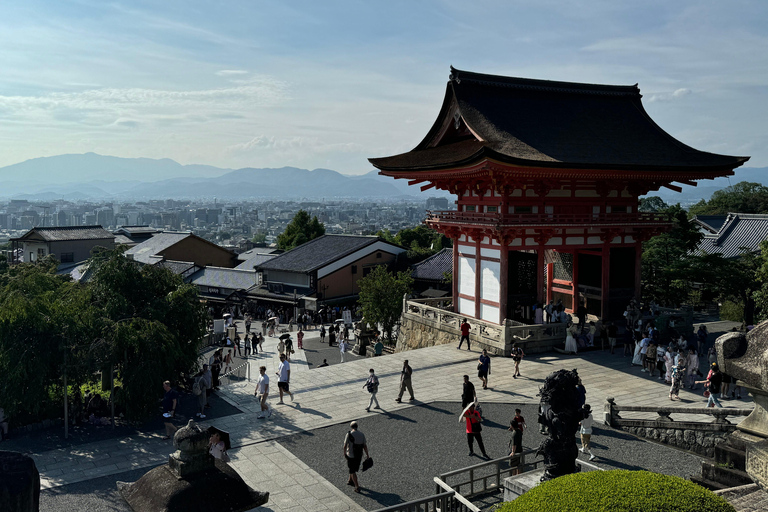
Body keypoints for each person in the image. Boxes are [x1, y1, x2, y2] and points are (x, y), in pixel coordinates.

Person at [343, 421, 370, 493]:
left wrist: (344, 453)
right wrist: (367, 455)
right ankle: (350, 480)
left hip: (351, 455)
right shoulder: (361, 434)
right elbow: (364, 445)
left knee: (352, 470)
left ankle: (357, 486)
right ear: (357, 426)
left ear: (351, 427)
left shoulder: (349, 434)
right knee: (352, 468)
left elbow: (345, 445)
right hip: (359, 455)